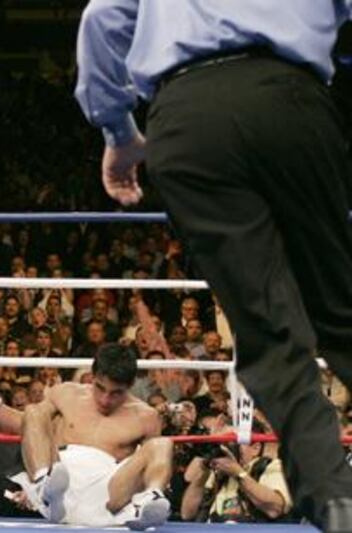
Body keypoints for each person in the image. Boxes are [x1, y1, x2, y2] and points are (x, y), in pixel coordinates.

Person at [73, 1, 352, 531]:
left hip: (190, 117)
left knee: (268, 330)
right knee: (341, 310)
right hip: (291, 100)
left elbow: (102, 18)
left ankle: (337, 499)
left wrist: (117, 132)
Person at [0, 344, 173, 529]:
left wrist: (150, 484)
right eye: (100, 388)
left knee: (162, 445)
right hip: (60, 482)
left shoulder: (146, 416)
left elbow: (147, 467)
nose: (105, 400)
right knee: (34, 412)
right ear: (92, 376)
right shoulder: (66, 394)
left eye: (116, 393)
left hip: (108, 495)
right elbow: (23, 424)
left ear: (131, 385)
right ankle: (45, 487)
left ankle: (147, 504)